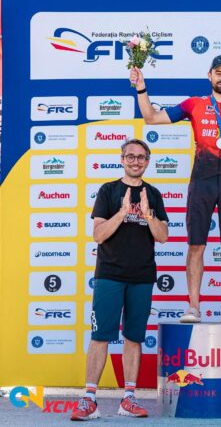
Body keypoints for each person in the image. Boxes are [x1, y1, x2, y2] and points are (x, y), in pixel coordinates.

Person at [130, 54, 221, 324]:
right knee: (196, 245)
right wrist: (141, 88)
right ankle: (193, 307)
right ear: (210, 76)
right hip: (202, 181)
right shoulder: (194, 104)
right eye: (218, 72)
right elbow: (150, 118)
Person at [71, 139, 169, 421]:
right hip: (110, 275)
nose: (135, 161)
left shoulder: (153, 194)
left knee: (134, 337)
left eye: (141, 157)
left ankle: (128, 398)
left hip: (142, 276)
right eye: (130, 156)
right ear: (122, 159)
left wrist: (147, 213)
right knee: (100, 336)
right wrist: (123, 212)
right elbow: (98, 235)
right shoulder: (108, 190)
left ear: (147, 161)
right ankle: (89, 399)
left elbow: (162, 236)